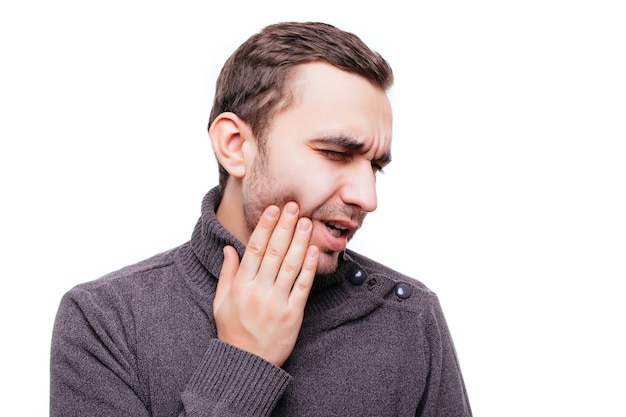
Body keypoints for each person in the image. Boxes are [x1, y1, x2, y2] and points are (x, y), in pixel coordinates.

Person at [50, 21, 472, 416]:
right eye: (335, 153)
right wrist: (242, 363)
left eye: (374, 166)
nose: (366, 197)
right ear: (235, 145)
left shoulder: (411, 319)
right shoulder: (105, 320)